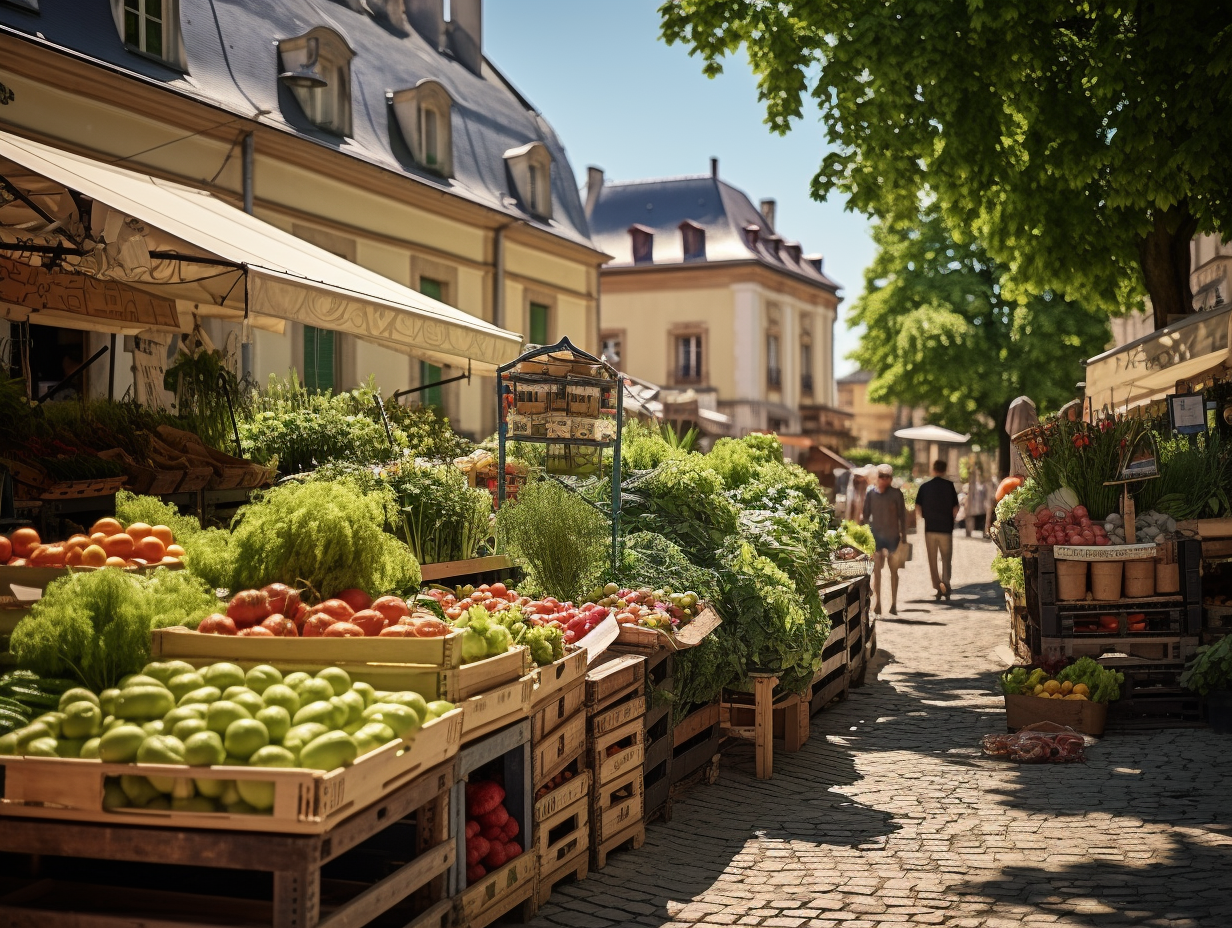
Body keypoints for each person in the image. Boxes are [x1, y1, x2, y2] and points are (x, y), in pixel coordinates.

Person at [861, 463, 908, 615]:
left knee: (894, 571)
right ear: (878, 477)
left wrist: (904, 537)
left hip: (893, 536)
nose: (885, 480)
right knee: (877, 572)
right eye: (882, 476)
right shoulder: (871, 493)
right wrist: (865, 535)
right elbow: (865, 515)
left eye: (888, 477)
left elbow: (903, 516)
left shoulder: (896, 494)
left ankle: (894, 604)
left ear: (891, 478)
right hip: (876, 537)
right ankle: (878, 603)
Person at [915, 459, 960, 601]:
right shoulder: (949, 486)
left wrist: (925, 517)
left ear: (933, 469)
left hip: (930, 528)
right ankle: (946, 584)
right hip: (946, 528)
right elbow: (955, 508)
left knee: (932, 560)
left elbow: (917, 507)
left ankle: (937, 586)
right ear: (945, 470)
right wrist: (951, 519)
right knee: (946, 559)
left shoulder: (925, 487)